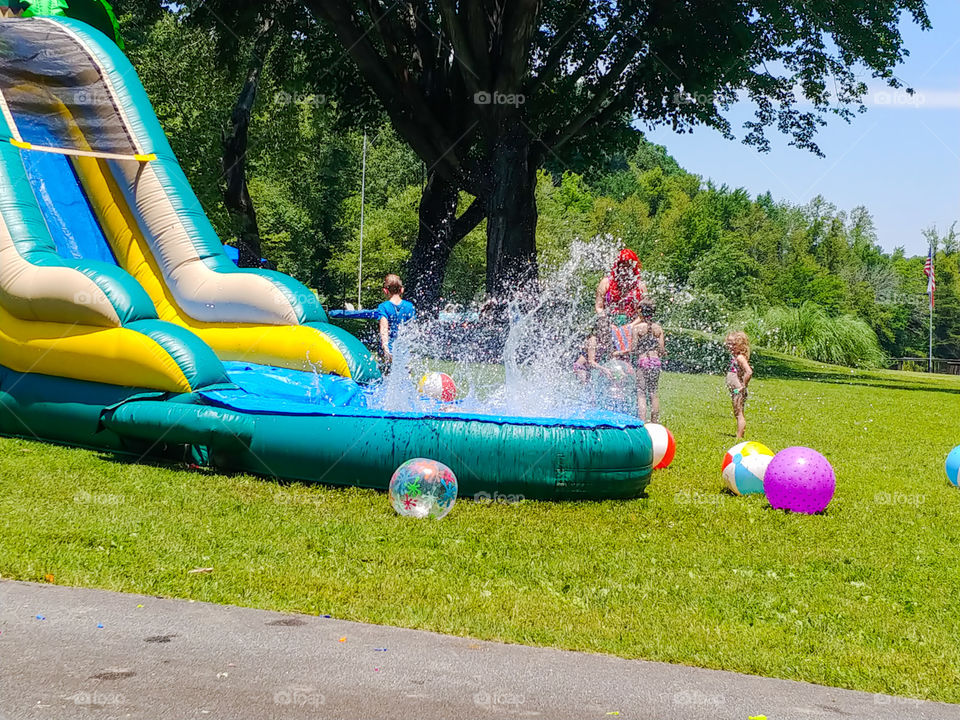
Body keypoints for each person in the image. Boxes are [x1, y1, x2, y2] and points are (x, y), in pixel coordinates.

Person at [630, 300, 665, 422]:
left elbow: (633, 349)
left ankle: (642, 422)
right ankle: (654, 422)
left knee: (641, 392)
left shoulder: (637, 328)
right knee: (654, 392)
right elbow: (661, 349)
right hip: (655, 362)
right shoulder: (658, 329)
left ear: (641, 312)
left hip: (643, 361)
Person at [595, 249, 648, 327]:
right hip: (609, 321)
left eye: (628, 266)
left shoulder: (640, 286)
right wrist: (607, 322)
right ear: (617, 266)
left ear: (633, 267)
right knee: (602, 327)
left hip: (633, 324)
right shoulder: (606, 283)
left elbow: (645, 311)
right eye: (622, 265)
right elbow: (599, 307)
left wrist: (631, 325)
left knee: (651, 328)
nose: (625, 269)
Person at [377, 274, 416, 366]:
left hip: (389, 348)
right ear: (402, 290)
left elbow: (384, 329)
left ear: (385, 291)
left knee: (386, 375)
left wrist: (386, 348)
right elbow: (412, 330)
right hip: (404, 348)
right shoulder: (410, 306)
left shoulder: (383, 307)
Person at [725, 331, 753, 439]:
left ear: (740, 345)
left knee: (739, 413)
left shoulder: (740, 358)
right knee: (737, 412)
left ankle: (739, 436)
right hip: (736, 390)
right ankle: (739, 435)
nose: (730, 347)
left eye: (733, 344)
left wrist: (743, 386)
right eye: (729, 344)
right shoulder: (736, 356)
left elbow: (749, 372)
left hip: (738, 390)